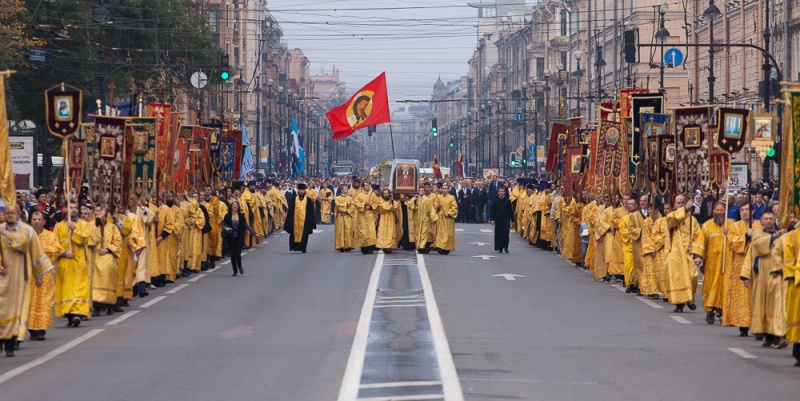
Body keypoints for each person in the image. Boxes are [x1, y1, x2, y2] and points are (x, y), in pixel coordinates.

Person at [0, 206, 51, 356]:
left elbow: (35, 252)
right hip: (2, 276)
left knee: (16, 308)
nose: (9, 216)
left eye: (13, 213)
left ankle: (12, 342)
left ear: (19, 214)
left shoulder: (27, 230)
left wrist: (39, 274)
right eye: (7, 213)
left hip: (20, 276)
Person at [742, 209, 788, 348]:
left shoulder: (783, 234)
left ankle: (779, 335)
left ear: (775, 219)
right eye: (766, 219)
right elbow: (757, 246)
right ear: (762, 220)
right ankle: (767, 334)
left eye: (771, 218)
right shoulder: (757, 233)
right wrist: (775, 236)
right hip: (762, 272)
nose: (768, 221)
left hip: (778, 272)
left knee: (777, 304)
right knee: (763, 303)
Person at [693, 202, 733, 324]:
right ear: (714, 211)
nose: (719, 212)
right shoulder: (706, 226)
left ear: (725, 211)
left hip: (727, 263)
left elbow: (738, 241)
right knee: (710, 287)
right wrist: (698, 256)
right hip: (711, 263)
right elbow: (701, 243)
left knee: (724, 287)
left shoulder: (731, 225)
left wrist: (729, 233)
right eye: (717, 210)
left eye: (722, 210)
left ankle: (721, 312)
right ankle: (710, 311)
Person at [725, 202, 760, 335]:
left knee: (756, 295)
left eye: (747, 210)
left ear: (752, 212)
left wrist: (755, 235)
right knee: (743, 296)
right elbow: (732, 242)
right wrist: (746, 236)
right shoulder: (735, 226)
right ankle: (743, 325)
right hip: (740, 264)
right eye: (742, 210)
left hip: (756, 262)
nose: (745, 212)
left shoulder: (759, 224)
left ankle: (758, 326)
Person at [55, 202, 92, 327]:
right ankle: (70, 316)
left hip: (79, 262)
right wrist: (64, 253)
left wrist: (74, 229)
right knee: (67, 290)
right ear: (65, 209)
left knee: (79, 289)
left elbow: (85, 239)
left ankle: (78, 314)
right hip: (65, 263)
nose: (74, 209)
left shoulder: (83, 224)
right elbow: (55, 244)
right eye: (71, 207)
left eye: (76, 207)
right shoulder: (59, 226)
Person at [663, 195, 699, 313]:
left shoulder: (692, 220)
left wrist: (694, 247)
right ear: (674, 204)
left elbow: (698, 236)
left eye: (683, 202)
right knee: (678, 279)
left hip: (688, 253)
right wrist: (685, 209)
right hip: (676, 254)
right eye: (678, 203)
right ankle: (679, 304)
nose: (680, 204)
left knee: (693, 276)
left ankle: (690, 299)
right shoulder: (671, 216)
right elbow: (671, 221)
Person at [28, 210, 61, 341]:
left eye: (39, 219)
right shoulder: (26, 235)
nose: (36, 222)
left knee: (44, 301)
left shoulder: (51, 236)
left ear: (44, 222)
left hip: (46, 274)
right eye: (34, 219)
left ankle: (41, 329)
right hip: (30, 274)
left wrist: (41, 248)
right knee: (30, 301)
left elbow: (57, 250)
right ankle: (31, 329)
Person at [89, 204, 122, 316]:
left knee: (109, 272)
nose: (99, 213)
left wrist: (108, 250)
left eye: (101, 211)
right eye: (96, 211)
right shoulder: (91, 226)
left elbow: (118, 242)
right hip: (95, 256)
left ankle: (110, 305)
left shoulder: (112, 227)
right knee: (94, 280)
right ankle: (97, 307)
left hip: (108, 256)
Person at [221, 200, 259, 276]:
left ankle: (240, 266)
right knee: (232, 255)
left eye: (236, 205)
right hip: (230, 237)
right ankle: (234, 270)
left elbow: (246, 226)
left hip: (239, 237)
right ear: (231, 207)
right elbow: (223, 224)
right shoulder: (227, 216)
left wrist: (254, 233)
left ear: (238, 207)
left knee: (238, 254)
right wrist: (226, 228)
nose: (235, 207)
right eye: (233, 205)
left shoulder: (241, 216)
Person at [284, 183, 317, 253]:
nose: (301, 191)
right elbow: (290, 211)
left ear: (305, 190)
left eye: (303, 190)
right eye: (300, 190)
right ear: (298, 190)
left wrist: (311, 222)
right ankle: (295, 247)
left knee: (304, 235)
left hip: (305, 221)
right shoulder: (294, 199)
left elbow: (311, 212)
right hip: (295, 220)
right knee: (294, 234)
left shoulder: (308, 200)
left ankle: (303, 248)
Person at [353, 182, 379, 254]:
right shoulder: (359, 195)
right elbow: (356, 204)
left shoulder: (373, 195)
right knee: (363, 233)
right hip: (362, 216)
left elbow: (376, 203)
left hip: (370, 216)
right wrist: (364, 204)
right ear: (363, 187)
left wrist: (371, 206)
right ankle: (364, 248)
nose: (368, 187)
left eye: (369, 185)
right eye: (366, 185)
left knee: (371, 232)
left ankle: (371, 247)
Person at [433, 183, 458, 255]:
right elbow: (434, 207)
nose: (444, 190)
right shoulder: (438, 197)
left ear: (448, 190)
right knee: (440, 233)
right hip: (440, 218)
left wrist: (449, 213)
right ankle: (440, 247)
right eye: (443, 189)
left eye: (446, 189)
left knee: (447, 233)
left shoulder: (451, 198)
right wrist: (438, 206)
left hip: (448, 218)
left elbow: (454, 207)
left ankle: (446, 247)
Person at [376, 189, 400, 253]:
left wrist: (391, 202)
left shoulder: (392, 200)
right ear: (382, 194)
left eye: (387, 193)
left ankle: (390, 246)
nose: (386, 195)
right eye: (384, 193)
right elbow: (383, 207)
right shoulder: (380, 200)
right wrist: (389, 204)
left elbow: (396, 207)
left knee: (391, 232)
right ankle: (383, 246)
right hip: (383, 218)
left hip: (391, 217)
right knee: (382, 232)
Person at [490, 186, 513, 253]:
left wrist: (513, 220)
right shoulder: (495, 201)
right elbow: (492, 211)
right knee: (499, 234)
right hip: (498, 220)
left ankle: (506, 247)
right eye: (500, 191)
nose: (501, 193)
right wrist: (492, 219)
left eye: (502, 191)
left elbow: (510, 211)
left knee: (505, 233)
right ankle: (500, 248)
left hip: (506, 220)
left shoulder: (507, 200)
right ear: (498, 192)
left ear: (504, 192)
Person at [334, 184, 355, 252]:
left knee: (348, 231)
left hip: (347, 216)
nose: (346, 189)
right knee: (340, 231)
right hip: (340, 216)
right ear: (341, 190)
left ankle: (348, 245)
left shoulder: (349, 198)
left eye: (346, 188)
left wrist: (347, 212)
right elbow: (338, 206)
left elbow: (352, 206)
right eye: (345, 188)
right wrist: (346, 204)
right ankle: (341, 246)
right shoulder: (337, 198)